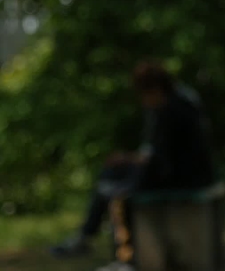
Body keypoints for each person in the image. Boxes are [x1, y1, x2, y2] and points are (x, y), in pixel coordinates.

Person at [51, 61, 216, 269]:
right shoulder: (175, 101)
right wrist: (129, 159)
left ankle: (123, 254)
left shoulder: (174, 109)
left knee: (118, 191)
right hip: (180, 172)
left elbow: (163, 159)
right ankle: (95, 239)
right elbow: (156, 153)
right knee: (112, 175)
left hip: (183, 177)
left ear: (154, 89)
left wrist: (130, 161)